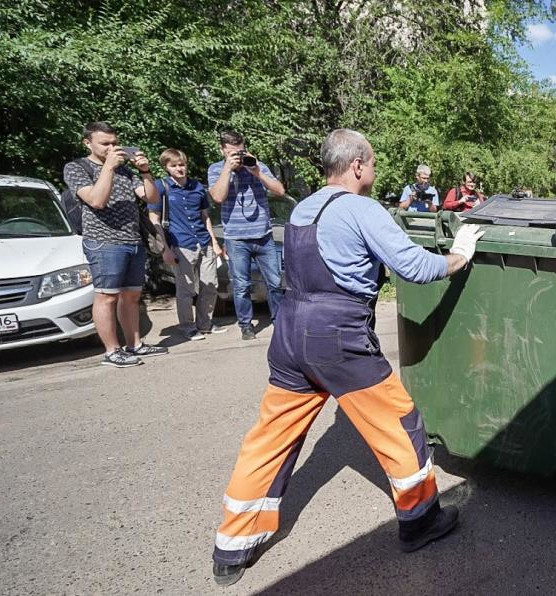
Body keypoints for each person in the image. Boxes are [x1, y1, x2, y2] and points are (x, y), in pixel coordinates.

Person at [211, 129, 485, 587]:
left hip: (289, 333)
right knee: (399, 422)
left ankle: (232, 546)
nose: (374, 172)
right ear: (357, 165)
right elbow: (415, 268)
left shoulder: (302, 208)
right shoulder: (361, 208)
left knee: (271, 437)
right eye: (373, 163)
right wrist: (459, 255)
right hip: (337, 339)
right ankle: (420, 521)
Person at [63, 121, 169, 367]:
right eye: (105, 144)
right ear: (87, 143)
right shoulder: (76, 167)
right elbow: (96, 200)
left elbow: (151, 197)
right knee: (107, 297)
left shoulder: (125, 170)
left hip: (132, 239)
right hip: (103, 241)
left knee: (131, 297)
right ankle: (112, 351)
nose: (112, 148)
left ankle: (135, 345)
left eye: (114, 143)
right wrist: (108, 168)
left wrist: (145, 171)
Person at [207, 130, 286, 341]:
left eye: (240, 151)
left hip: (264, 236)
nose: (238, 156)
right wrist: (228, 169)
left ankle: (279, 320)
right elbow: (217, 196)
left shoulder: (256, 165)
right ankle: (246, 325)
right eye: (233, 153)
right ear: (222, 150)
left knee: (275, 282)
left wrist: (257, 171)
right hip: (236, 238)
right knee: (241, 285)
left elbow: (279, 191)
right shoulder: (216, 169)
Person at [149, 148, 228, 341]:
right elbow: (154, 218)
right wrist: (165, 249)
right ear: (166, 167)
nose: (179, 168)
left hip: (203, 241)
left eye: (182, 164)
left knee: (210, 285)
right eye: (174, 165)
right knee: (186, 288)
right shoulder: (161, 187)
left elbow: (205, 216)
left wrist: (214, 243)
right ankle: (187, 326)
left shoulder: (197, 187)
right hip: (180, 244)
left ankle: (205, 323)